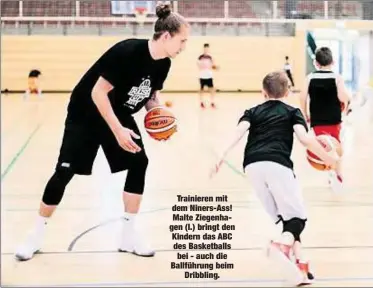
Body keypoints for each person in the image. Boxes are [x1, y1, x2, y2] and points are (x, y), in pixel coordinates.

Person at [15, 3, 189, 261]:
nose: (184, 47)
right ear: (166, 36)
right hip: (85, 112)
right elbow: (98, 92)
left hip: (117, 111)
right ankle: (36, 235)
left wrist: (160, 117)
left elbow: (151, 96)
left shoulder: (163, 63)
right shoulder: (127, 51)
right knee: (65, 171)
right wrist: (118, 130)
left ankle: (128, 235)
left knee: (139, 162)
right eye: (182, 41)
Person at [210, 71, 340, 285]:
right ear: (288, 91)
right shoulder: (293, 112)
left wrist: (221, 155)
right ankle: (280, 246)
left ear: (263, 92)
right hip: (277, 164)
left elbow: (238, 132)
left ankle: (301, 265)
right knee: (298, 219)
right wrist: (330, 158)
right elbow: (306, 139)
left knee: (288, 220)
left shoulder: (252, 111)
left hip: (252, 166)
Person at [299, 47, 350, 193]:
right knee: (335, 146)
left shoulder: (309, 78)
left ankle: (331, 171)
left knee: (323, 147)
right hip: (334, 119)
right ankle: (337, 175)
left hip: (317, 119)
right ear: (333, 61)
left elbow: (302, 98)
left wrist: (304, 114)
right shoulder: (336, 77)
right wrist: (346, 104)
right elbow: (342, 97)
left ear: (315, 62)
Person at [197, 43, 218, 108]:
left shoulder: (211, 57)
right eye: (205, 48)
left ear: (208, 49)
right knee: (201, 89)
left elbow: (213, 65)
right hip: (202, 75)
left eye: (207, 48)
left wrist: (215, 67)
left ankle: (212, 102)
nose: (206, 49)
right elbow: (198, 65)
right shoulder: (200, 57)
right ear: (204, 49)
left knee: (211, 89)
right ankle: (201, 102)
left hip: (209, 75)